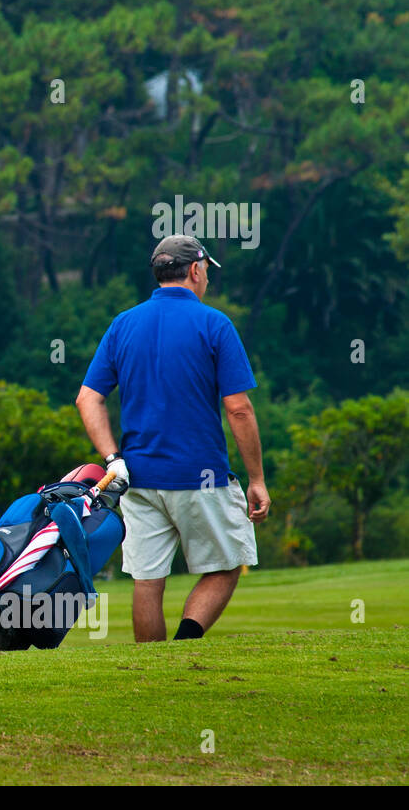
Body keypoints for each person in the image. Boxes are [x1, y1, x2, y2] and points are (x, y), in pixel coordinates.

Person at [76, 234, 270, 643]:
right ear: (196, 270)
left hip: (138, 477)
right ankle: (184, 645)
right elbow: (238, 408)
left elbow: (88, 399)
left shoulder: (123, 324)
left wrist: (113, 459)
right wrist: (256, 479)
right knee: (227, 564)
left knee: (148, 580)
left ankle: (154, 669)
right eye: (206, 273)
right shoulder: (215, 324)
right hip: (200, 475)